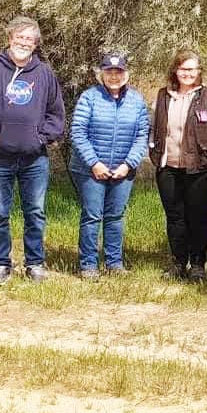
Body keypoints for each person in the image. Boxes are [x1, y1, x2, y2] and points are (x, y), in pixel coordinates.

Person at [0, 15, 65, 285]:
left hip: (35, 159)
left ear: (35, 44)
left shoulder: (45, 73)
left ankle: (35, 263)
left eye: (29, 39)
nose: (23, 42)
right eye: (19, 37)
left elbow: (56, 113)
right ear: (10, 38)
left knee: (35, 212)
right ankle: (1, 264)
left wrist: (41, 138)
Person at [149, 49, 207, 281]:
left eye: (192, 69)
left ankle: (197, 264)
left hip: (201, 169)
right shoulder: (162, 96)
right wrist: (153, 149)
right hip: (168, 168)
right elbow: (153, 125)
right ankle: (178, 262)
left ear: (199, 71)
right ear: (175, 70)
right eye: (183, 68)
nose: (187, 73)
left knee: (198, 216)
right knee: (175, 217)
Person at [68, 52, 149, 278]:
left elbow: (142, 135)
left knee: (115, 216)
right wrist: (94, 163)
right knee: (92, 216)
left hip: (123, 170)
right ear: (100, 74)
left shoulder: (136, 100)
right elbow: (78, 133)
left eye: (119, 72)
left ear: (126, 74)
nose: (114, 76)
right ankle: (88, 265)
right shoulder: (89, 97)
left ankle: (114, 263)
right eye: (109, 72)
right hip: (90, 170)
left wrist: (128, 164)